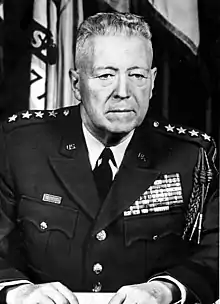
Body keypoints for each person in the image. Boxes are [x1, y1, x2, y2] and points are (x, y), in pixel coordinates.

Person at [0, 12, 218, 304]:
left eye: (137, 75)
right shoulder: (20, 145)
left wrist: (165, 289)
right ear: (76, 84)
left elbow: (215, 250)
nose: (123, 92)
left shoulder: (191, 157)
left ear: (153, 82)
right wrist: (16, 290)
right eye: (106, 75)